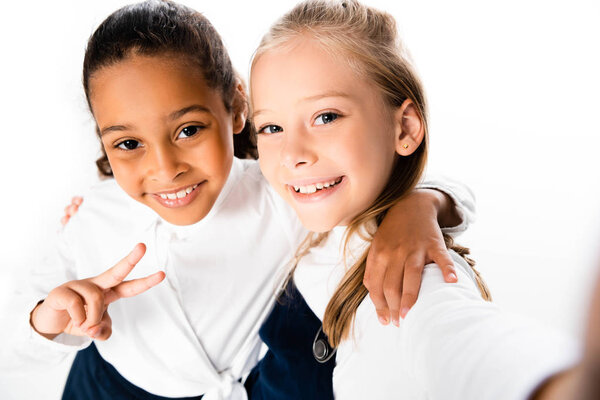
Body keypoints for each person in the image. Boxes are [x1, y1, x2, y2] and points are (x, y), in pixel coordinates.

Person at [13, 1, 475, 399]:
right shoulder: (91, 216)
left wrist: (420, 206)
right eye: (128, 144)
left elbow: (399, 178)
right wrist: (49, 315)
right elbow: (14, 337)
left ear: (236, 108)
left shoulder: (282, 192)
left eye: (189, 130)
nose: (165, 167)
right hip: (105, 388)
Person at [243, 1, 584, 399]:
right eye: (270, 126)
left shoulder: (409, 275)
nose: (292, 154)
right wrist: (425, 200)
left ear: (404, 126)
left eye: (326, 117)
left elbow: (465, 340)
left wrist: (563, 383)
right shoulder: (306, 206)